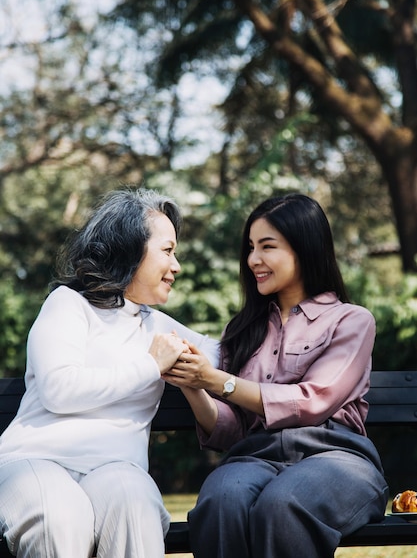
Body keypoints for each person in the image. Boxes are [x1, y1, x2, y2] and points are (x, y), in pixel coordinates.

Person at [164, 193, 389, 558]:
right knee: (222, 500)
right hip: (254, 457)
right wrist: (194, 385)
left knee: (283, 504)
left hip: (335, 457)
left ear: (305, 249)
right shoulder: (243, 329)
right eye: (251, 247)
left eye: (267, 246)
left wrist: (218, 380)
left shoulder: (351, 320)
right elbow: (232, 430)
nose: (253, 259)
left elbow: (314, 400)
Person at [0, 188, 219, 558]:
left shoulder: (159, 327)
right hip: (37, 460)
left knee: (136, 506)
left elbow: (235, 353)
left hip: (116, 469)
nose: (177, 265)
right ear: (130, 250)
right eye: (167, 251)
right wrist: (151, 365)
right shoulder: (68, 304)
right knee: (61, 517)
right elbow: (59, 389)